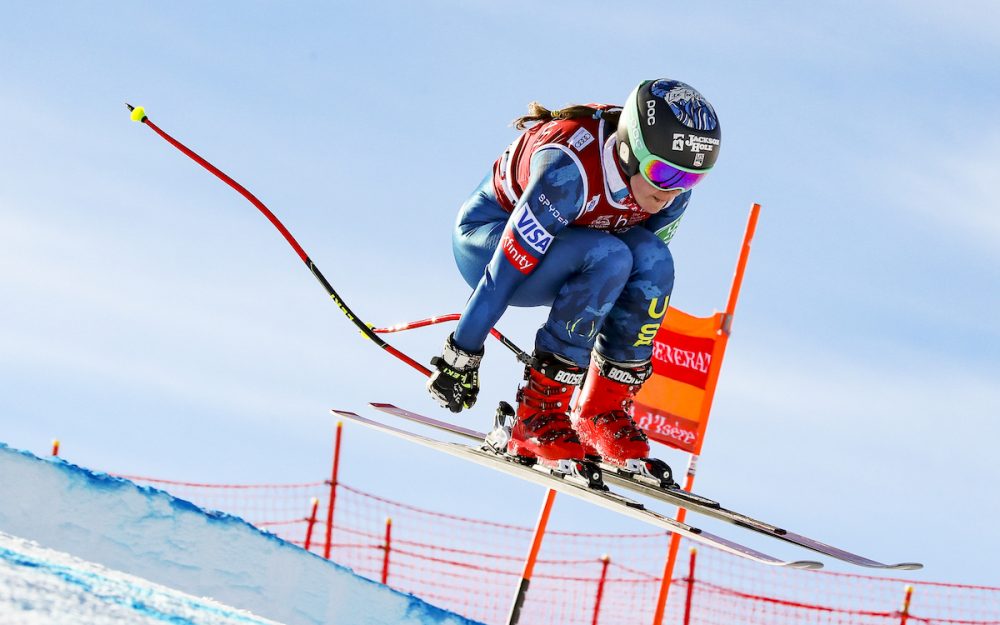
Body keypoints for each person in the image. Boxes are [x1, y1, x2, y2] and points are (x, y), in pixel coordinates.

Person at [426, 78, 721, 466]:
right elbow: (502, 272)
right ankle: (537, 413)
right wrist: (461, 355)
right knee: (610, 255)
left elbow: (631, 286)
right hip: (487, 242)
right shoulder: (568, 171)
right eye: (665, 175)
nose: (671, 193)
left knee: (654, 260)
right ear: (630, 150)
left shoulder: (670, 192)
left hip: (575, 249)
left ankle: (600, 409)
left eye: (690, 179)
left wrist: (601, 363)